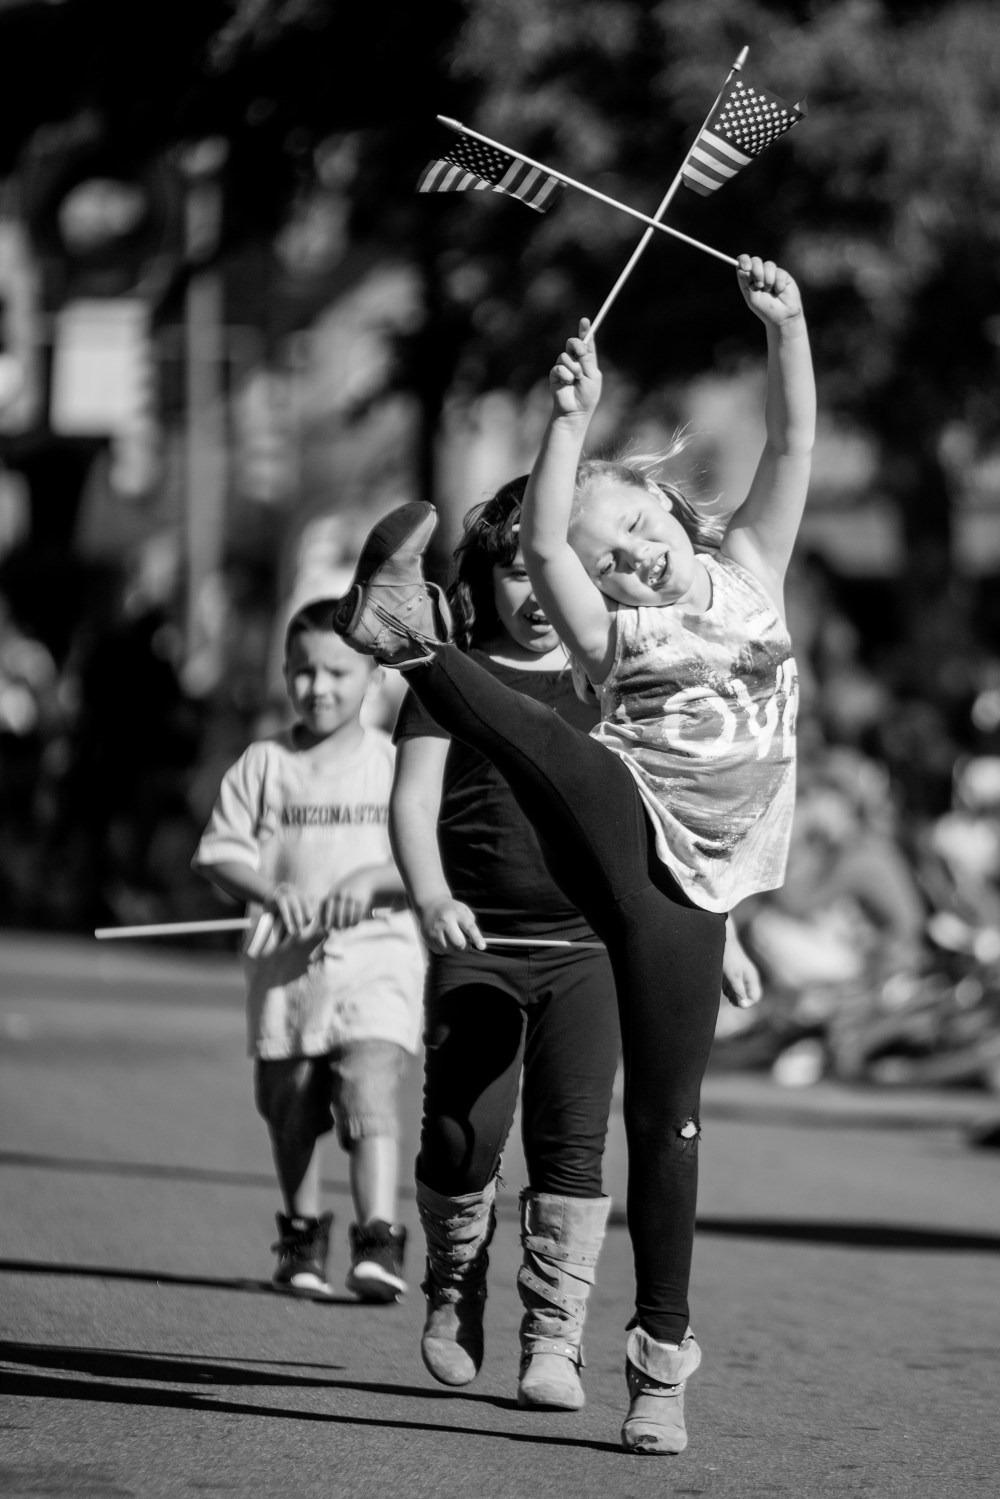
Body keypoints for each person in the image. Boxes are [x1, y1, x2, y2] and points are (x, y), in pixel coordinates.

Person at [328, 252, 814, 1455]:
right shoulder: (611, 634)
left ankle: (658, 1362)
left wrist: (788, 332)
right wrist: (570, 420)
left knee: (668, 1122)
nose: (633, 557)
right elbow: (545, 540)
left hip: (697, 890)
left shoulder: (751, 570)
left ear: (675, 512)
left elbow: (794, 440)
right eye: (610, 558)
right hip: (627, 829)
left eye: (640, 528)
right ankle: (409, 638)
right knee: (569, 753)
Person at [390, 480, 620, 1410]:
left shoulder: (611, 677)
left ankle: (555, 1335)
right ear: (485, 578)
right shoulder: (451, 673)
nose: (533, 592)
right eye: (514, 572)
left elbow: (665, 816)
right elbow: (412, 802)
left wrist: (710, 934)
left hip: (589, 952)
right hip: (476, 944)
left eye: (549, 569)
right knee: (461, 1139)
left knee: (572, 1146)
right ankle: (454, 1280)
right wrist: (431, 895)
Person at [192, 594, 424, 1304]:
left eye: (337, 672)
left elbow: (430, 861)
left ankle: (378, 1239)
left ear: (375, 679)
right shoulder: (264, 763)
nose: (318, 687)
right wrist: (268, 890)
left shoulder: (397, 765)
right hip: (288, 976)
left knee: (369, 1092)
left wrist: (373, 879)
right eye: (302, 671)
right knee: (289, 1106)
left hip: (377, 963)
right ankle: (300, 1234)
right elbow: (217, 854)